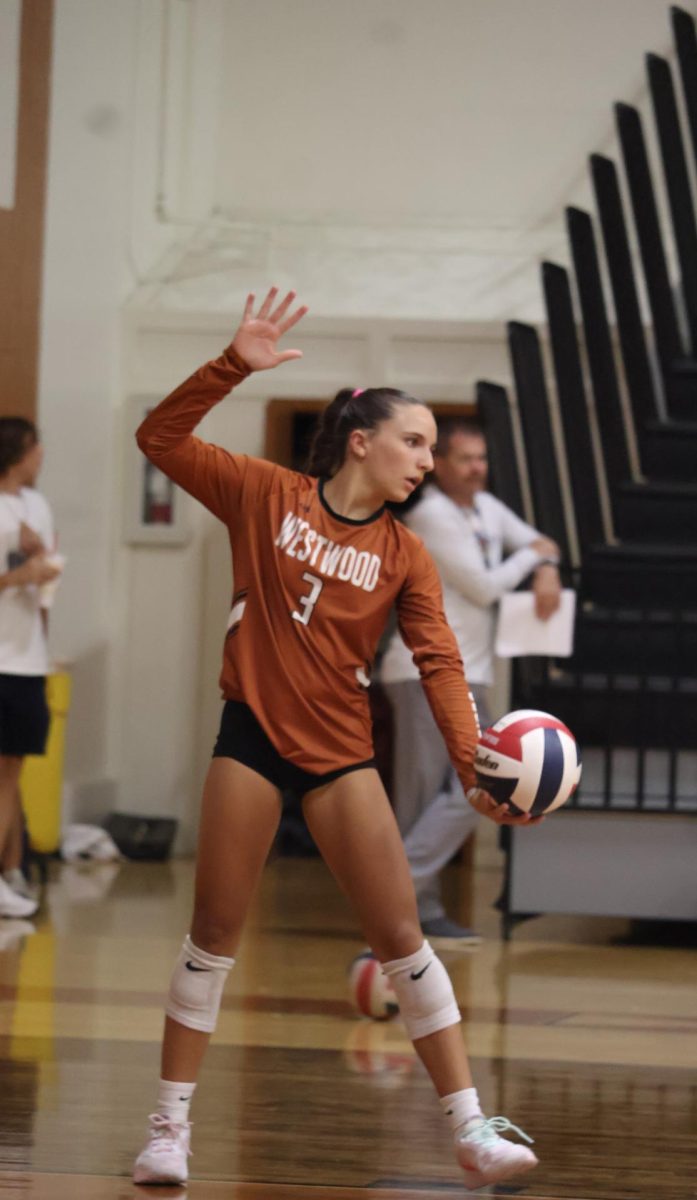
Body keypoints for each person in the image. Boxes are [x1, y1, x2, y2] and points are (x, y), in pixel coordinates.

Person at [132, 288, 541, 1189]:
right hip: (250, 738)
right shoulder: (263, 493)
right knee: (211, 936)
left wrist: (477, 756)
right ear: (363, 440)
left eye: (433, 448)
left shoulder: (406, 554)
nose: (426, 462)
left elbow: (438, 662)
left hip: (339, 754)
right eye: (415, 442)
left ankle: (470, 1131)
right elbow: (158, 440)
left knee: (403, 940)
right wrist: (232, 363)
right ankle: (168, 1130)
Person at [381, 416, 562, 946]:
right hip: (420, 670)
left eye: (482, 458)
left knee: (469, 789)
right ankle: (401, 906)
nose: (477, 467)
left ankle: (405, 904)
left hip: (470, 670)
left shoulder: (486, 509)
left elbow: (541, 542)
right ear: (442, 466)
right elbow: (485, 587)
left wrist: (544, 566)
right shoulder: (432, 515)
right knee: (442, 795)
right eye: (465, 458)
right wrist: (531, 559)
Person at [0, 418, 62, 918]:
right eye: (35, 444)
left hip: (25, 656)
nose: (42, 453)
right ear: (19, 450)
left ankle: (11, 870)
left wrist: (42, 563)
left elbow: (45, 580)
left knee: (11, 770)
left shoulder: (37, 506)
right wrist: (21, 572)